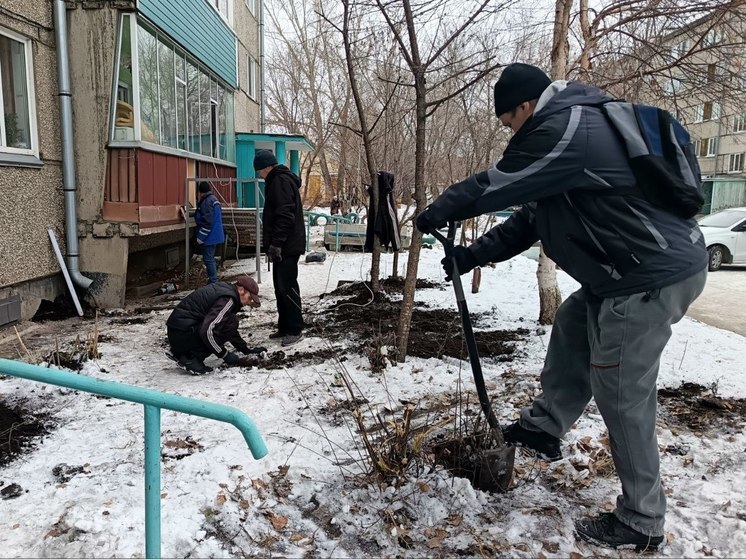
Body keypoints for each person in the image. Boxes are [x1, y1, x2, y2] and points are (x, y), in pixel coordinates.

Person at [415, 63, 708, 550]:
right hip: (621, 273)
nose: (509, 131)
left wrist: (444, 206)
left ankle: (641, 520)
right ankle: (544, 427)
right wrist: (470, 255)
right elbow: (529, 220)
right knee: (573, 324)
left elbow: (501, 182)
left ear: (526, 107)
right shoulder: (568, 138)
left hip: (648, 276)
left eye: (508, 122)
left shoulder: (571, 129)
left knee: (622, 394)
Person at [254, 149, 306, 346]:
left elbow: (285, 215)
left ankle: (295, 328)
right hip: (285, 245)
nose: (259, 174)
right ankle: (285, 326)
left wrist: (277, 243)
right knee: (280, 287)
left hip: (287, 246)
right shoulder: (278, 180)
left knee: (287, 286)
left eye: (259, 170)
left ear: (267, 167)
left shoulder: (280, 181)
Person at [166, 276, 266, 374]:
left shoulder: (226, 291)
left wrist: (245, 349)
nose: (250, 302)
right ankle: (191, 358)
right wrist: (224, 355)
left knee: (229, 321)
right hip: (182, 334)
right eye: (250, 297)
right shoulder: (228, 300)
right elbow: (207, 331)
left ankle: (183, 353)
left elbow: (227, 326)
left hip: (179, 332)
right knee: (229, 323)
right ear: (241, 290)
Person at [194, 181, 225, 284]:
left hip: (210, 236)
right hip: (216, 234)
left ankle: (213, 281)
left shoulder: (206, 202)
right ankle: (213, 279)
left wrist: (201, 237)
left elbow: (208, 222)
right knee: (210, 257)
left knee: (208, 258)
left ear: (200, 192)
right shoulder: (213, 200)